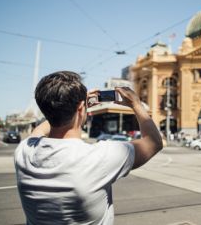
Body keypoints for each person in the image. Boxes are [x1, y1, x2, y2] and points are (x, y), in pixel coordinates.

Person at [14, 71, 163, 225]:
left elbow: (39, 130)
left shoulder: (24, 151)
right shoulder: (99, 157)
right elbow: (153, 142)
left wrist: (73, 107)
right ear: (81, 109)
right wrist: (136, 104)